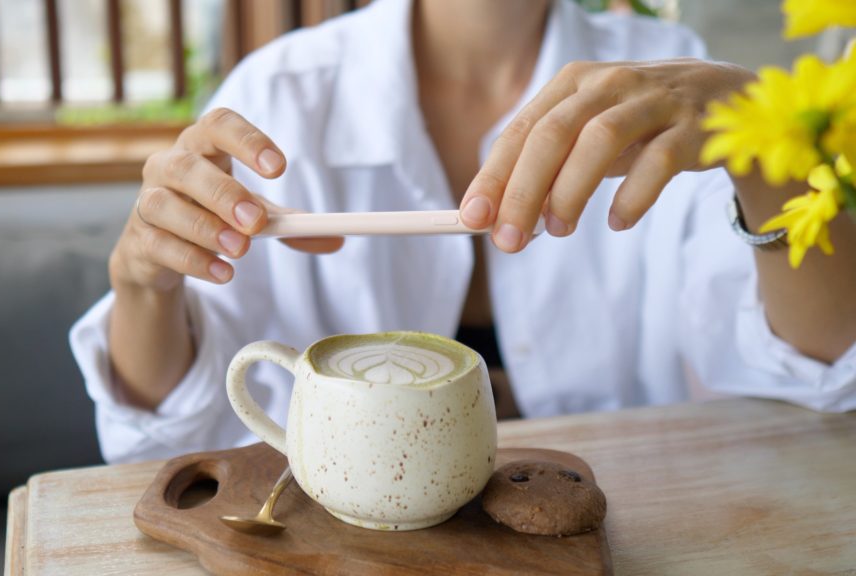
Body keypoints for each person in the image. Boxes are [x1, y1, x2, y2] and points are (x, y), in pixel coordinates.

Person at [71, 0, 856, 463]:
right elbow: (157, 445)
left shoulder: (674, 73)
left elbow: (820, 382)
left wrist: (769, 154)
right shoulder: (278, 97)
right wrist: (144, 282)